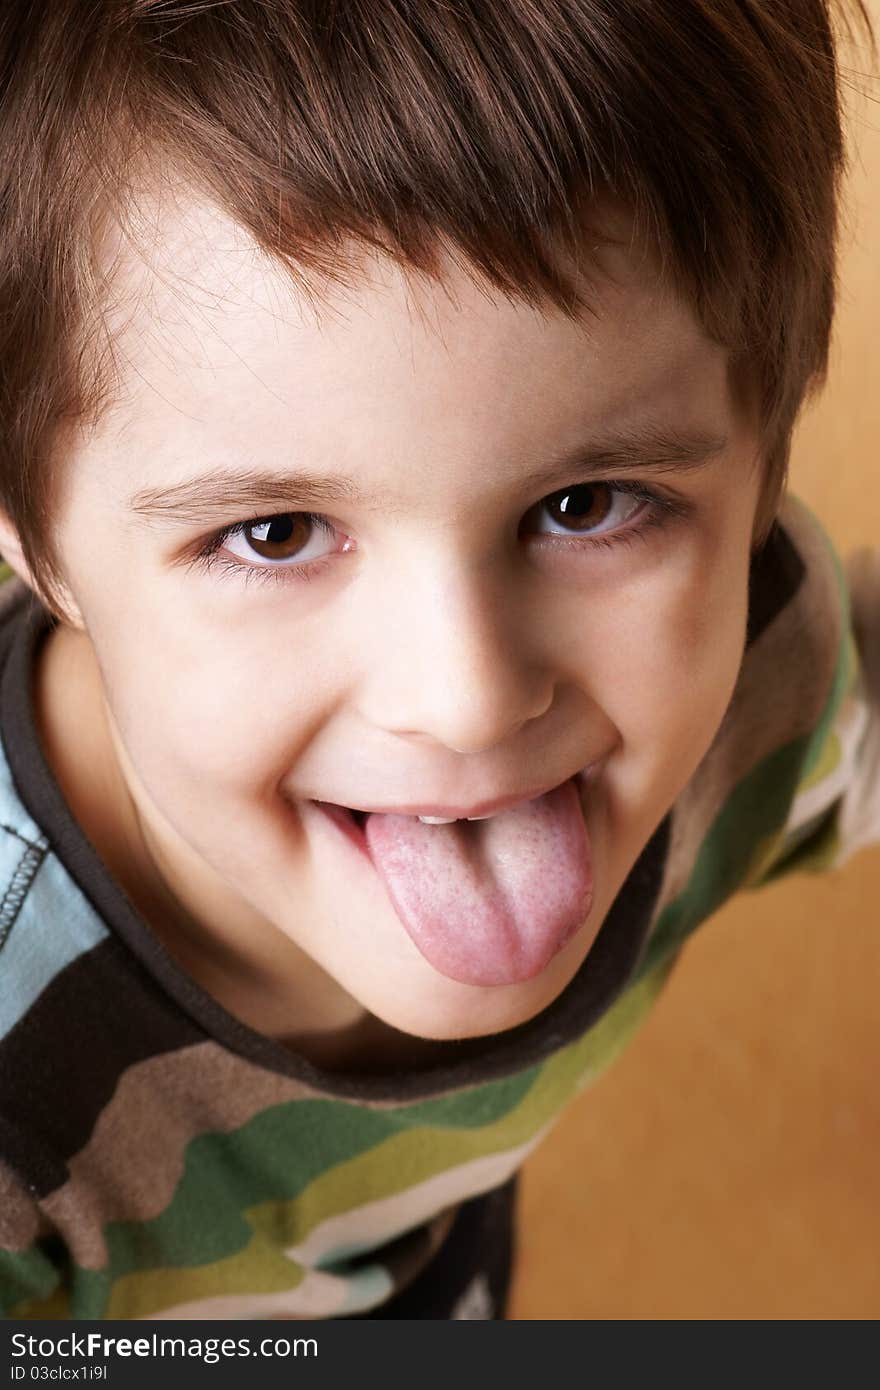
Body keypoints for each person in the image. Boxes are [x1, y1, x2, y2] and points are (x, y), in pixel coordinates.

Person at [0, 0, 877, 1321]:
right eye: (277, 532)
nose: (465, 699)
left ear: (762, 466)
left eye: (589, 505)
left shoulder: (760, 670)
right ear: (35, 548)